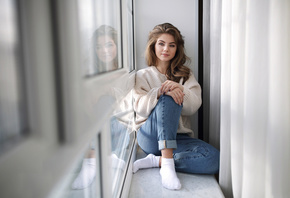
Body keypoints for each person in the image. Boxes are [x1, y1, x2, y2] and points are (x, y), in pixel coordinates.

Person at [133, 23, 220, 190]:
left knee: (214, 159)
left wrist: (178, 87)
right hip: (150, 137)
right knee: (168, 95)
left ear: (177, 48)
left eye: (171, 45)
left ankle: (158, 161)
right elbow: (140, 107)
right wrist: (159, 92)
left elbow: (194, 105)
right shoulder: (142, 75)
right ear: (153, 46)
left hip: (179, 138)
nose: (166, 49)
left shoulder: (186, 75)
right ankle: (167, 164)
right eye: (161, 43)